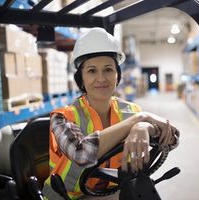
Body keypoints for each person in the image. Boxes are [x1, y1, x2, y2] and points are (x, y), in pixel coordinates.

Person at [42, 27, 179, 200]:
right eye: (92, 71)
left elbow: (173, 138)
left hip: (113, 192)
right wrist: (140, 119)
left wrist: (145, 127)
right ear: (81, 79)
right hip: (67, 196)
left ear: (117, 76)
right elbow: (81, 153)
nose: (101, 78)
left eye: (108, 69)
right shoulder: (62, 117)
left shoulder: (131, 111)